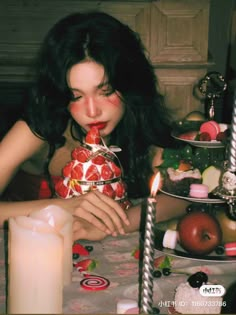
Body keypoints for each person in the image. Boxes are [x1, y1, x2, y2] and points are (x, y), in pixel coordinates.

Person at [0, 11, 189, 241]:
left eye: (105, 92)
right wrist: (64, 206)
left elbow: (182, 197)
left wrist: (115, 223)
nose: (92, 112)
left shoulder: (140, 122)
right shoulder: (40, 126)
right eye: (75, 96)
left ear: (130, 85)